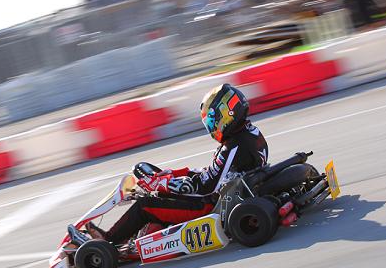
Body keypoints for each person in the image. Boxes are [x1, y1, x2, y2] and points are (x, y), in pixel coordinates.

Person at [69, 83, 268, 246]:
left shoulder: (233, 147)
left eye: (212, 120)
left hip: (207, 207)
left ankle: (107, 242)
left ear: (226, 114)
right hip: (224, 196)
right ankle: (132, 238)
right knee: (160, 194)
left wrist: (165, 184)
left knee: (145, 205)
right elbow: (212, 174)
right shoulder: (250, 134)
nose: (211, 126)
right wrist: (174, 175)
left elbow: (206, 186)